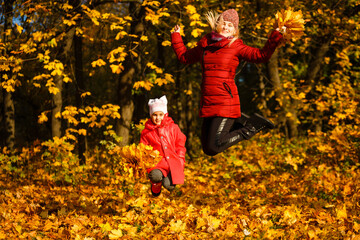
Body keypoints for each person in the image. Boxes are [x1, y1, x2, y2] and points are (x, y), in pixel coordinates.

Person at [171, 9, 286, 156]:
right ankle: (240, 122)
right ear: (217, 25)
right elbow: (184, 57)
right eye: (224, 23)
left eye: (230, 25)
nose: (226, 27)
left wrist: (276, 36)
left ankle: (251, 127)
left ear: (235, 30)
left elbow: (260, 55)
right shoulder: (205, 45)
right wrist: (176, 36)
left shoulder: (235, 46)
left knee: (214, 146)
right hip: (208, 102)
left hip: (225, 101)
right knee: (208, 149)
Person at [140, 95, 187, 197]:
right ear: (151, 115)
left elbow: (180, 144)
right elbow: (143, 149)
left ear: (165, 114)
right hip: (157, 164)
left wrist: (180, 159)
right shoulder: (146, 132)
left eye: (160, 115)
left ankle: (165, 182)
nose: (158, 118)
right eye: (155, 115)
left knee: (169, 186)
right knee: (155, 176)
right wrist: (147, 162)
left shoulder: (173, 128)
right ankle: (156, 185)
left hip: (172, 163)